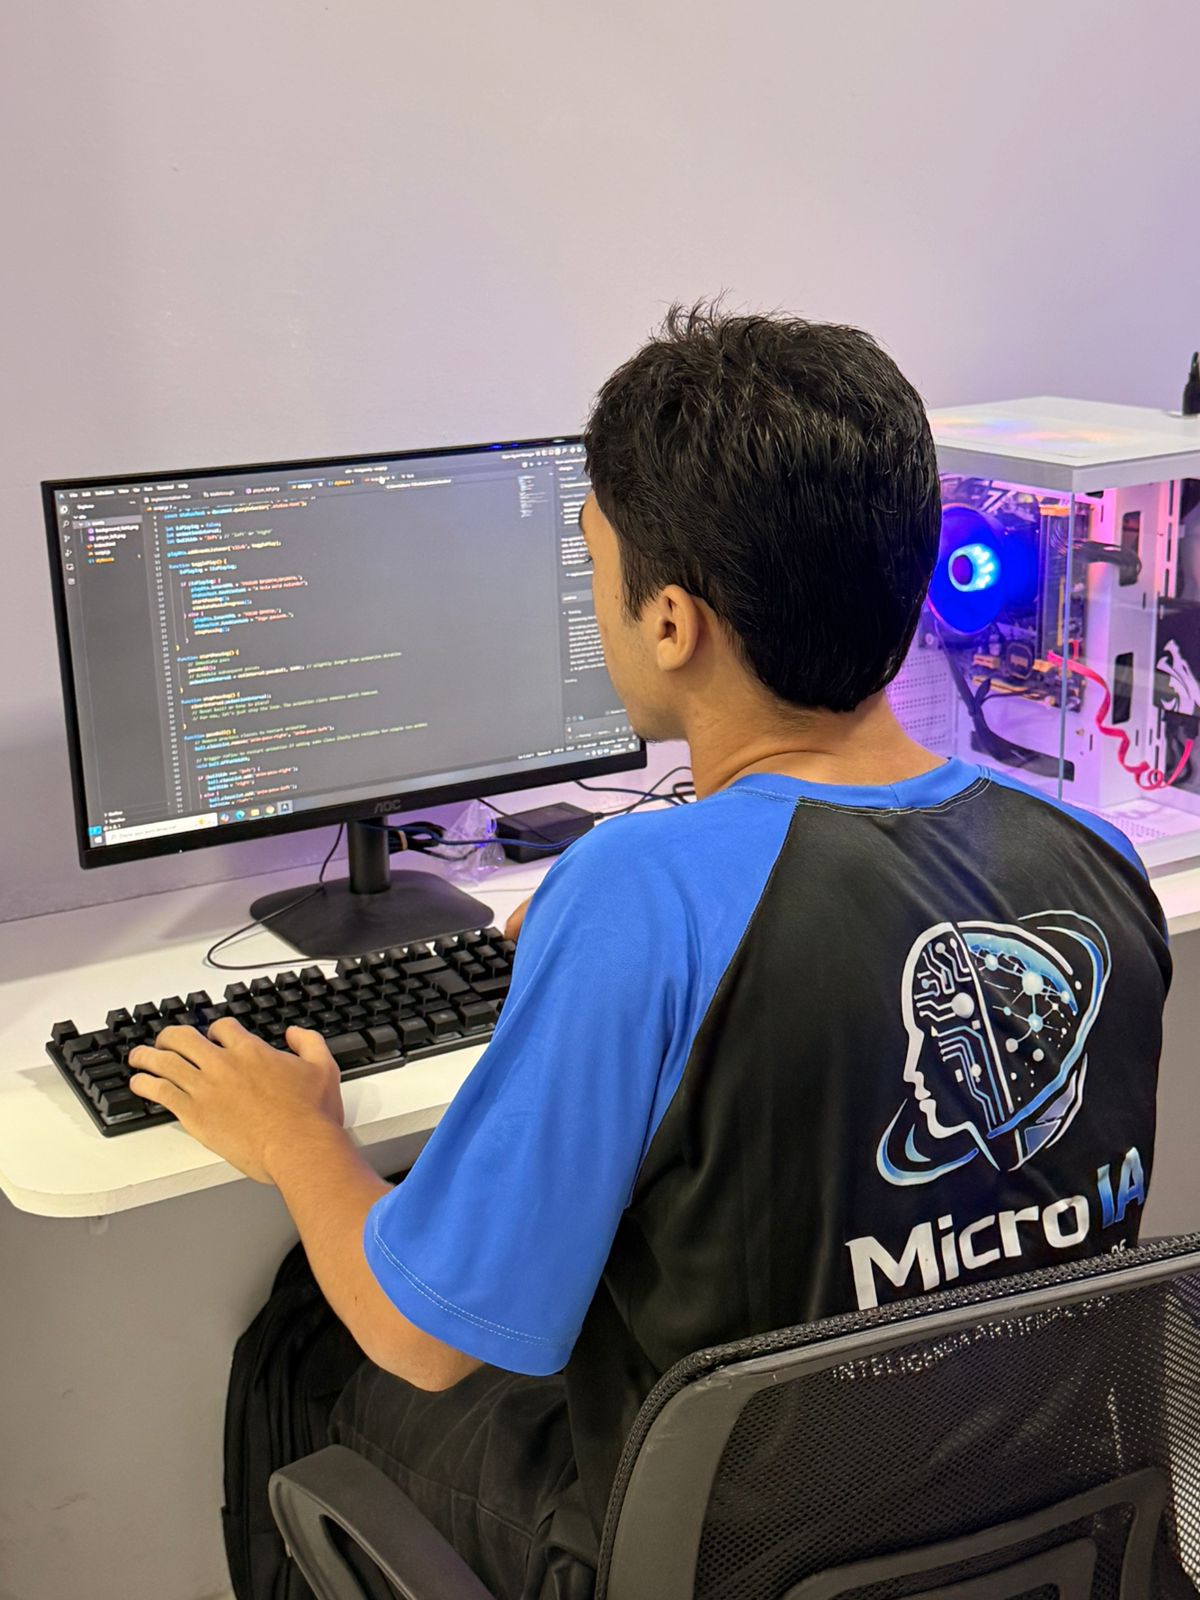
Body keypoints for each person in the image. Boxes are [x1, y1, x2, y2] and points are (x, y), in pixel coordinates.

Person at [128, 306, 1170, 1599]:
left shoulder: (640, 895)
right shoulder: (1093, 856)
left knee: (314, 1334)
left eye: (594, 565)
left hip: (722, 1563)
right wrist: (603, 948)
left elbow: (424, 1342)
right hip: (1049, 1537)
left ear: (670, 622)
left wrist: (294, 1135)